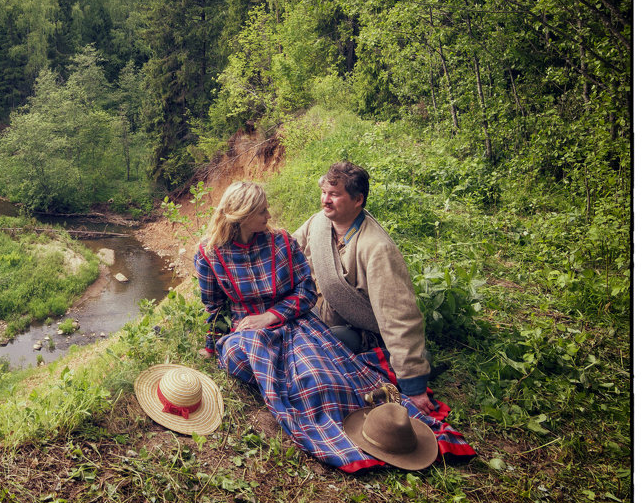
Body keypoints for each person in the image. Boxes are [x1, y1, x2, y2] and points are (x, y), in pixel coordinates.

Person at [195, 180, 473, 472]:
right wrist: (210, 345)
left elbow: (305, 293)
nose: (269, 215)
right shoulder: (209, 255)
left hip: (293, 321)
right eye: (262, 211)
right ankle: (304, 392)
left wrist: (271, 316)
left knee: (317, 376)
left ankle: (374, 428)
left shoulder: (281, 242)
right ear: (243, 215)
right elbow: (214, 307)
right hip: (249, 333)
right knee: (245, 357)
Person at [292, 162, 436, 414]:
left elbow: (399, 316)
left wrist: (413, 383)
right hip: (314, 313)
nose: (325, 200)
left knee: (313, 357)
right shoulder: (318, 223)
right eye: (324, 192)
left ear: (358, 200)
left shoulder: (377, 249)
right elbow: (288, 251)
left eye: (334, 195)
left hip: (354, 331)